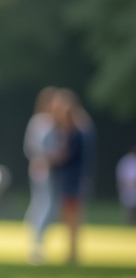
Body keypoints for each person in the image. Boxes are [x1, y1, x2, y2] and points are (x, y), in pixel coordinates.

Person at [49, 89, 89, 265]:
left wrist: (51, 157)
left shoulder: (78, 132)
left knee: (73, 217)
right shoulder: (71, 131)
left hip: (75, 180)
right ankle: (71, 252)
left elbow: (67, 155)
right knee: (68, 217)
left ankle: (73, 253)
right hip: (69, 179)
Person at [23, 87, 60, 264]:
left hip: (46, 169)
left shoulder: (46, 121)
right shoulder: (42, 121)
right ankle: (37, 241)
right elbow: (33, 148)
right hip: (42, 169)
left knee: (43, 204)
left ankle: (37, 241)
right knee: (44, 205)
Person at [118, 146, 136, 226]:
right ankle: (129, 223)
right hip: (127, 189)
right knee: (128, 208)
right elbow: (121, 175)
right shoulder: (125, 161)